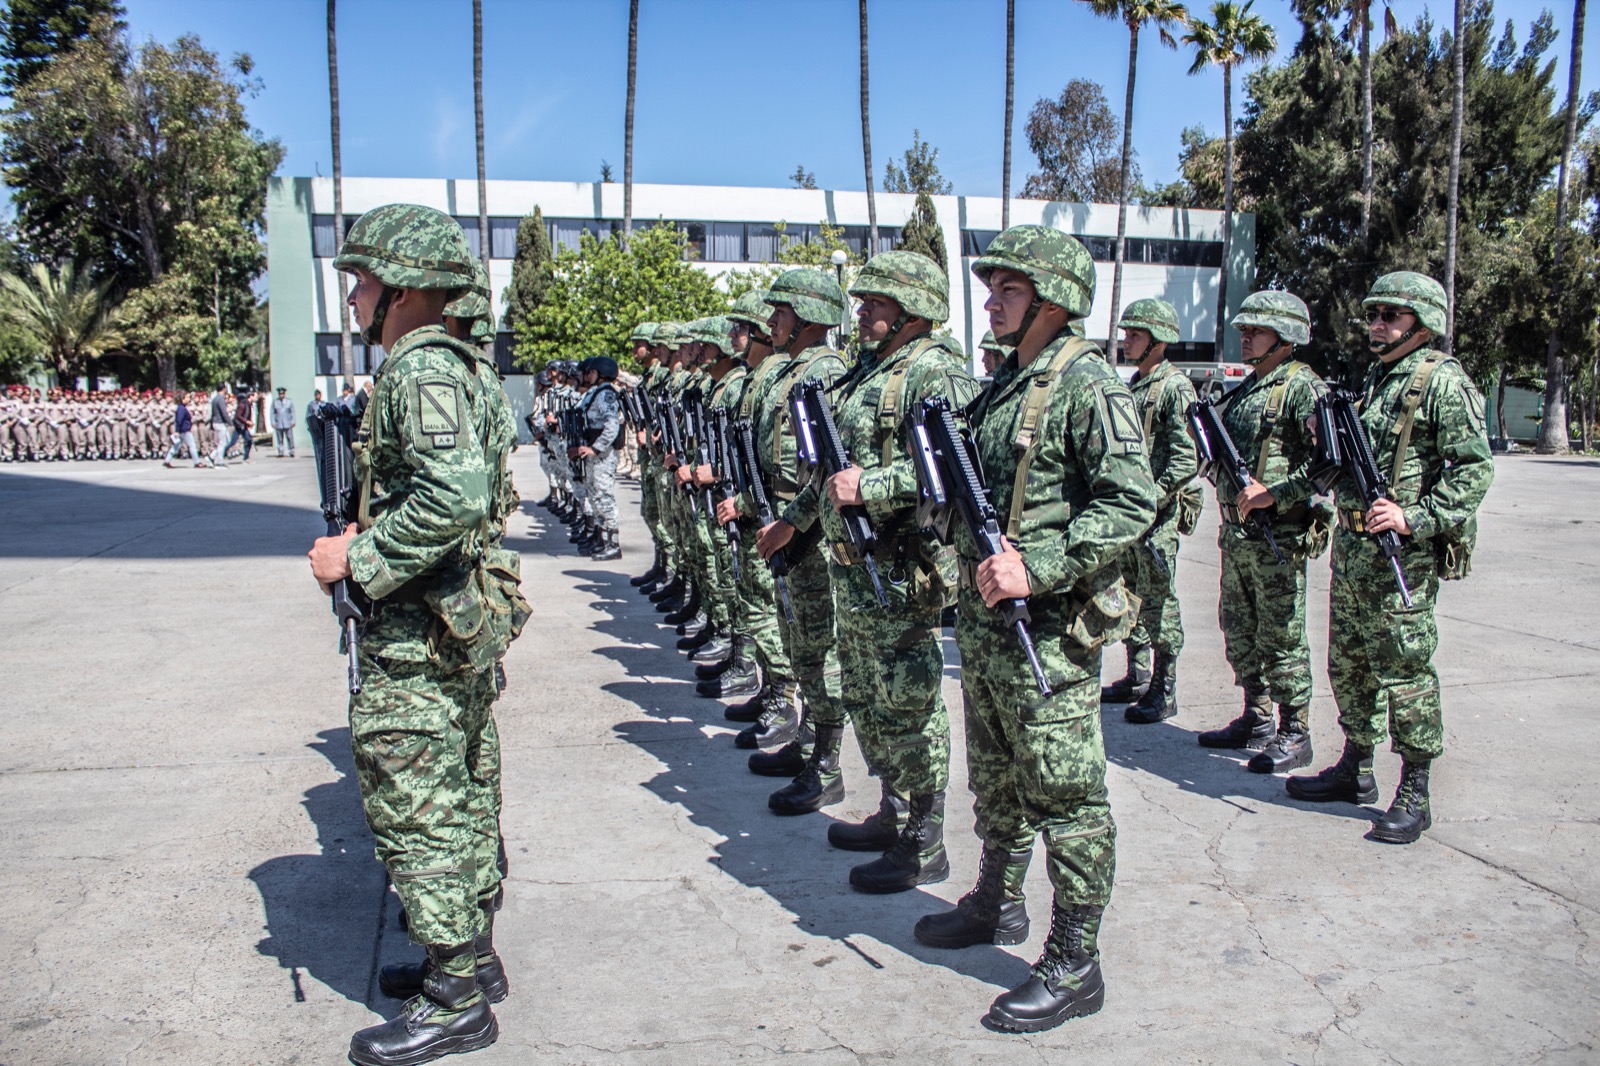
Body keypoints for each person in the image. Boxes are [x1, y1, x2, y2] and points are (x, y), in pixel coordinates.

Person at [916, 226, 1156, 1033]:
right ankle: (995, 899)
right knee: (998, 778)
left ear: (1054, 300)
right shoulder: (1006, 385)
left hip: (1047, 633)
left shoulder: (1088, 385)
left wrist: (1041, 563)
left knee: (1068, 794)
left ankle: (1075, 958)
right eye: (992, 290)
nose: (990, 302)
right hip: (988, 632)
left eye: (1008, 291)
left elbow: (1131, 501)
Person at [307, 204, 520, 1066]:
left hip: (418, 631)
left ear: (400, 288)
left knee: (418, 798)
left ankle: (457, 997)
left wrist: (360, 558)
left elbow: (454, 497)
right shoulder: (459, 367)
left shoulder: (419, 370)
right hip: (451, 620)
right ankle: (470, 959)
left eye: (361, 279)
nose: (355, 296)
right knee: (464, 791)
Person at [778, 250, 980, 892]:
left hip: (901, 569)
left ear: (913, 310)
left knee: (910, 700)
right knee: (867, 694)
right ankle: (893, 810)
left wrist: (876, 484)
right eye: (862, 303)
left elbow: (959, 464)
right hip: (852, 570)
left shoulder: (936, 373)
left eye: (876, 304)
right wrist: (800, 518)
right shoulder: (871, 370)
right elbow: (832, 471)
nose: (861, 313)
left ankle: (925, 839)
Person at [1287, 272, 1493, 844]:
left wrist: (1416, 517)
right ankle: (1355, 767)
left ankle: (1415, 790)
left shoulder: (1442, 381)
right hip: (1353, 550)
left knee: (1406, 671)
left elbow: (1474, 468)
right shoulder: (1379, 378)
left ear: (1422, 323)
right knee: (1349, 663)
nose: (1377, 325)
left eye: (1391, 316)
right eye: (1374, 314)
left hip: (1400, 553)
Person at [1196, 291, 1330, 775]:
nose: (1245, 337)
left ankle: (1295, 730)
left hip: (1278, 537)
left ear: (1286, 335)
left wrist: (1277, 493)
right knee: (1241, 627)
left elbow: (1327, 466)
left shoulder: (1303, 389)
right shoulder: (1249, 387)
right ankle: (1256, 717)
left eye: (1256, 330)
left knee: (1282, 634)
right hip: (1237, 537)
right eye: (1244, 330)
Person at [745, 269, 849, 814]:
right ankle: (809, 744)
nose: (772, 320)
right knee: (799, 646)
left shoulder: (825, 373)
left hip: (808, 533)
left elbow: (827, 464)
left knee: (819, 649)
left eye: (781, 310)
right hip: (785, 527)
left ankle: (827, 763)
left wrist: (791, 521)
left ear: (808, 315)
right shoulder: (792, 371)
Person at [1106, 299, 1200, 724]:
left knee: (1159, 602)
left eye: (1135, 336)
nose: (1126, 342)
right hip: (1134, 518)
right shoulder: (1136, 383)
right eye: (1126, 335)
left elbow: (1185, 458)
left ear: (1159, 341)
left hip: (1155, 519)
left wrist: (1152, 498)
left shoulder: (1173, 387)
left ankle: (1165, 686)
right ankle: (1138, 675)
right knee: (1132, 596)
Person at [163, 393, 199, 467]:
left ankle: (167, 460)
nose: (189, 399)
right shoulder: (182, 408)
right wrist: (177, 431)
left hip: (182, 430)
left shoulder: (181, 408)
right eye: (187, 397)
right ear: (183, 399)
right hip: (184, 430)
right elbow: (179, 420)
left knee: (176, 445)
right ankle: (196, 462)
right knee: (192, 445)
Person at [207, 384, 231, 467]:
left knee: (225, 441)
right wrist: (230, 422)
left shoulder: (214, 399)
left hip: (216, 422)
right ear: (223, 389)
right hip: (220, 422)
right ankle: (219, 461)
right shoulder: (220, 399)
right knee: (223, 443)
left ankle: (212, 456)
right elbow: (223, 412)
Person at [271, 387, 297, 457]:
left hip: (287, 423)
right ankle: (280, 451)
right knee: (279, 438)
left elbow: (292, 412)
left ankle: (291, 450)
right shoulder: (275, 402)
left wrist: (293, 421)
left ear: (284, 394)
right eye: (280, 394)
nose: (281, 395)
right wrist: (273, 422)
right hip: (278, 423)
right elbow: (272, 413)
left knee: (289, 437)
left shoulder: (289, 402)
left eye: (282, 394)